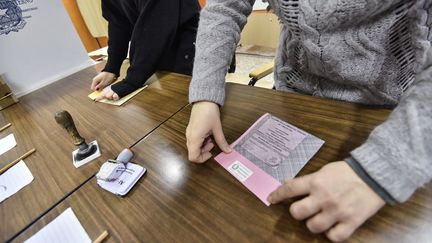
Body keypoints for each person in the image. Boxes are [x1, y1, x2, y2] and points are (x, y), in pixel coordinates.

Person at [186, 0, 432, 242]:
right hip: (292, 95)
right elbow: (226, 7)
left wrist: (383, 167)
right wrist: (205, 96)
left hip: (394, 114)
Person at [91, 0, 200, 100]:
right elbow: (118, 22)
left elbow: (157, 23)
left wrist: (131, 81)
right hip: (157, 59)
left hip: (189, 53)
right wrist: (111, 68)